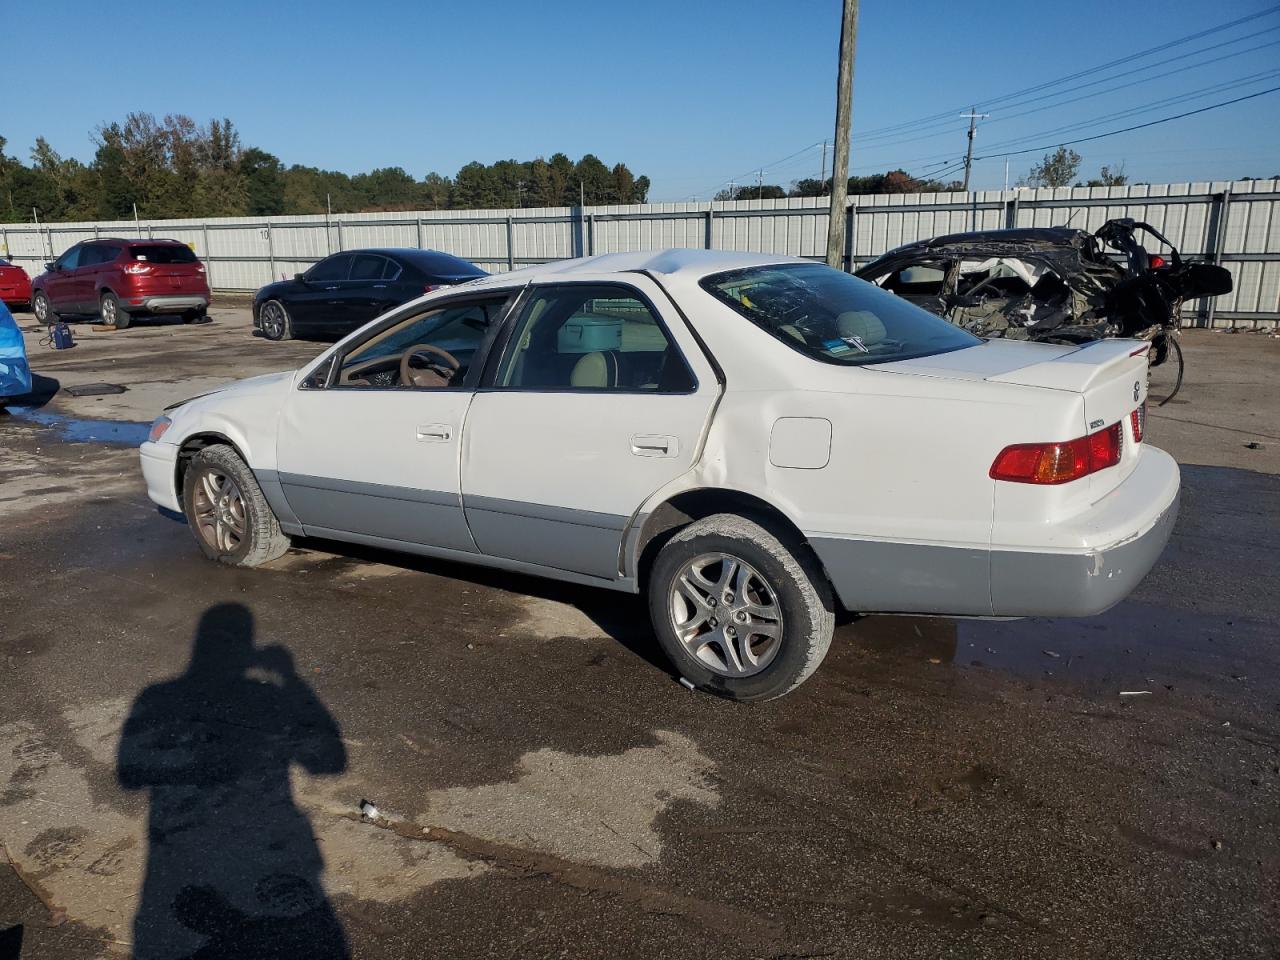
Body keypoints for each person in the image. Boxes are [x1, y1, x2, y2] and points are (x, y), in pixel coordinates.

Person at [117, 603, 349, 959]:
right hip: (257, 845)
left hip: (180, 852)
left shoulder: (158, 697)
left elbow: (130, 774)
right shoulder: (268, 696)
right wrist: (290, 676)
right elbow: (330, 762)